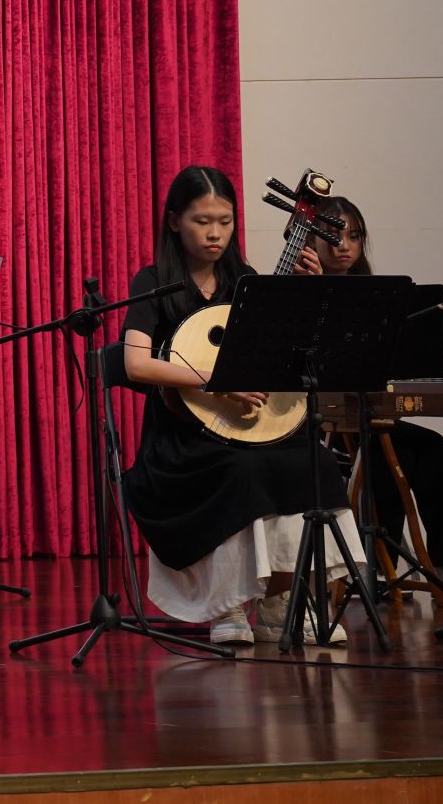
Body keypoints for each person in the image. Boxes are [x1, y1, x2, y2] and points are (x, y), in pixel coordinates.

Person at [118, 164, 356, 646]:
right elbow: (136, 364)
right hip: (183, 436)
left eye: (225, 221)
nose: (215, 233)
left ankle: (278, 601)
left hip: (248, 426)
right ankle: (226, 605)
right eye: (202, 221)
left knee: (313, 463)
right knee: (239, 472)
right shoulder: (153, 282)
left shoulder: (243, 279)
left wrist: (304, 295)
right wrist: (214, 382)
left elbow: (277, 350)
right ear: (174, 222)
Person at [315, 195, 443, 600]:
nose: (344, 245)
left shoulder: (378, 294)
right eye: (333, 235)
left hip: (370, 417)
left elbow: (404, 351)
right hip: (323, 424)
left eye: (354, 236)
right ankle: (375, 567)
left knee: (438, 452)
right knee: (381, 455)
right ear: (311, 239)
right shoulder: (301, 291)